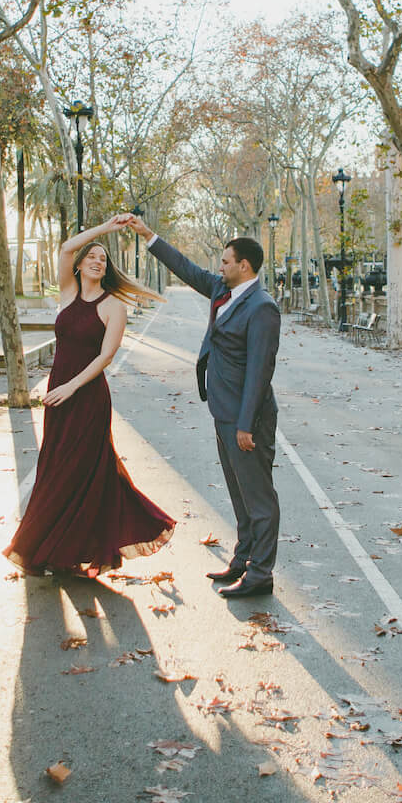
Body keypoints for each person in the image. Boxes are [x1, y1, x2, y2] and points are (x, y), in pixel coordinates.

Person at [3, 217, 174, 578]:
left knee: (82, 474)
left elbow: (105, 357)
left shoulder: (115, 307)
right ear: (80, 265)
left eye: (104, 259)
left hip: (87, 398)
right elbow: (65, 247)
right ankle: (55, 551)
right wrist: (106, 229)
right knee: (54, 470)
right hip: (58, 396)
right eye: (92, 257)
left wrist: (71, 387)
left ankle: (70, 551)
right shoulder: (67, 293)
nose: (98, 261)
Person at [121, 213, 282, 599]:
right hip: (222, 410)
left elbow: (260, 372)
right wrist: (149, 236)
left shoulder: (262, 307)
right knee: (239, 493)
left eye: (226, 261)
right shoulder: (221, 291)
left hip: (247, 418)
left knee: (259, 497)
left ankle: (261, 573)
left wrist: (245, 424)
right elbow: (185, 268)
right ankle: (243, 560)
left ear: (244, 266)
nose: (219, 266)